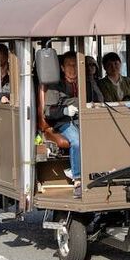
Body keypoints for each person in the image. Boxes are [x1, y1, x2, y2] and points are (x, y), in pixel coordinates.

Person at [44, 51, 96, 199]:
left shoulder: (86, 84)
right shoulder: (56, 86)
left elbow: (99, 100)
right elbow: (48, 111)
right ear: (62, 68)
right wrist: (65, 110)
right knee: (77, 141)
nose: (73, 69)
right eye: (69, 65)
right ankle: (78, 179)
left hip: (86, 120)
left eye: (76, 65)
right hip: (65, 122)